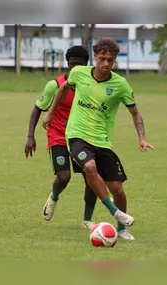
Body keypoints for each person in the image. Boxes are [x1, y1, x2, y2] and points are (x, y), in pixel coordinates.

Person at [42, 37, 154, 240]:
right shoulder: (79, 73)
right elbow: (63, 88)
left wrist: (142, 138)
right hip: (76, 135)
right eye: (102, 58)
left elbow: (135, 113)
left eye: (110, 60)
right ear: (95, 57)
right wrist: (50, 113)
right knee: (90, 168)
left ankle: (121, 230)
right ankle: (114, 212)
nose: (105, 64)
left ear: (115, 60)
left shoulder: (120, 84)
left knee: (118, 189)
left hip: (102, 141)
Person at [25, 45, 98, 230]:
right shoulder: (55, 85)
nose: (75, 68)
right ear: (67, 63)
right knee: (64, 177)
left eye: (79, 65)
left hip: (81, 137)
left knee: (91, 177)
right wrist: (30, 136)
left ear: (86, 64)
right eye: (72, 64)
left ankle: (87, 220)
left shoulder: (90, 85)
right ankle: (54, 197)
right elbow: (37, 109)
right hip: (58, 135)